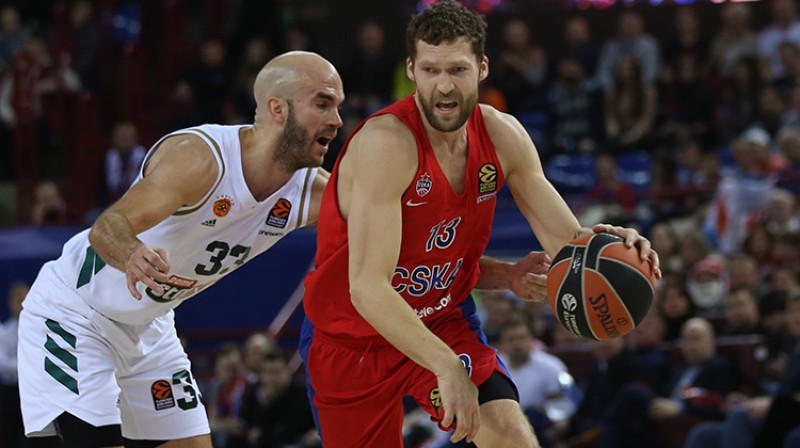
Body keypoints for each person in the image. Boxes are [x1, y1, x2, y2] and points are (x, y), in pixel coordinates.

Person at [300, 2, 661, 447]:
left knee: (511, 437)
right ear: (411, 70)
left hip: (442, 321)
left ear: (483, 67)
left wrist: (612, 249)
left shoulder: (504, 137)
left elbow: (570, 245)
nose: (444, 85)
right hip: (350, 340)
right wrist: (446, 365)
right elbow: (370, 287)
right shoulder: (386, 144)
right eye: (431, 70)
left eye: (458, 69)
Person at [16, 51, 344, 448]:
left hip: (150, 327)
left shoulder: (311, 193)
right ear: (277, 109)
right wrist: (132, 252)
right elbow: (107, 227)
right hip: (76, 313)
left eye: (338, 106)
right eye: (323, 103)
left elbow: (395, 212)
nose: (337, 120)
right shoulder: (201, 158)